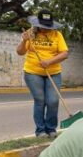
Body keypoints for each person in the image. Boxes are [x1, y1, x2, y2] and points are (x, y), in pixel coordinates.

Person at [16, 9, 69, 138]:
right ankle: (40, 130)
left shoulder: (57, 35)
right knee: (40, 100)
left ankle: (51, 128)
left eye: (47, 26)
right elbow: (20, 52)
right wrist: (23, 41)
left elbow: (64, 53)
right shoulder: (30, 34)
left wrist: (49, 62)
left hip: (53, 72)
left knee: (53, 101)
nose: (45, 28)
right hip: (33, 72)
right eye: (43, 26)